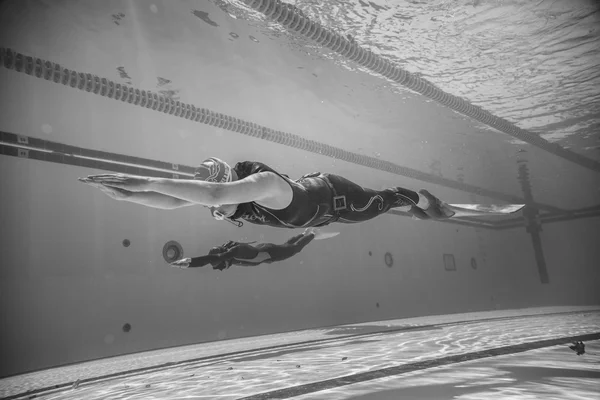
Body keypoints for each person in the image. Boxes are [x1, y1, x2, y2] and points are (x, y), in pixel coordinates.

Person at [79, 157, 455, 229]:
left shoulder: (265, 185)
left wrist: (143, 181)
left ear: (229, 185)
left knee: (382, 200)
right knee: (378, 205)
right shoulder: (227, 200)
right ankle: (417, 203)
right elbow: (173, 202)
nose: (216, 208)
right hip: (316, 210)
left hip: (335, 198)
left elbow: (211, 195)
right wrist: (129, 197)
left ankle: (425, 201)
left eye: (220, 199)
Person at [170, 228, 338, 270]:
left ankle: (312, 234)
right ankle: (305, 233)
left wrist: (187, 263)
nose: (221, 269)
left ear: (223, 258)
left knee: (294, 249)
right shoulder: (232, 256)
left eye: (220, 266)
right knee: (288, 246)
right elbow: (211, 260)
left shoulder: (233, 253)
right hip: (266, 251)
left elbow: (209, 259)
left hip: (268, 253)